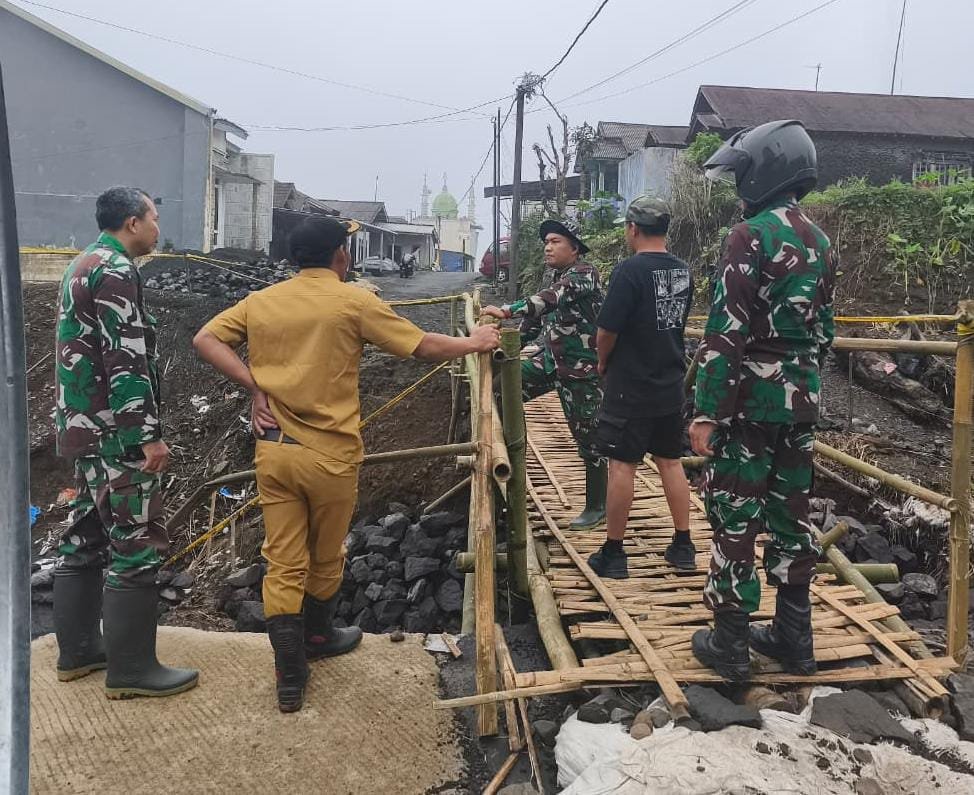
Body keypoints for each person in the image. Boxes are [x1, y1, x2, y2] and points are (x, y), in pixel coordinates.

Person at [193, 216, 500, 712]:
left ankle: (289, 674)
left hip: (274, 451)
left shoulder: (261, 301)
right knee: (325, 554)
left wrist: (255, 386)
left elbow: (206, 339)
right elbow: (422, 345)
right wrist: (474, 342)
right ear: (341, 254)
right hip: (329, 457)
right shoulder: (353, 301)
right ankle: (318, 637)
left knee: (282, 560)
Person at [689, 119, 837, 681]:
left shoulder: (748, 235)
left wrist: (707, 411)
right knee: (791, 512)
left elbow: (726, 330)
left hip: (748, 403)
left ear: (764, 173)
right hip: (801, 402)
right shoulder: (820, 241)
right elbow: (824, 332)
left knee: (735, 511)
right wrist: (800, 384)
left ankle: (730, 642)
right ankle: (795, 639)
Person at [54, 186, 199, 699]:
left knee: (85, 535)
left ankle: (77, 652)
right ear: (133, 222)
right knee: (135, 542)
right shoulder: (116, 269)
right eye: (154, 218)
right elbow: (126, 358)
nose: (158, 228)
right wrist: (145, 436)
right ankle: (132, 670)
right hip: (116, 434)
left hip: (83, 427)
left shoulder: (82, 264)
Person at [587, 196, 694, 580]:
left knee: (622, 465)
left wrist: (602, 361)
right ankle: (683, 545)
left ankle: (614, 552)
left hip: (629, 388)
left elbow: (606, 330)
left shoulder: (629, 271)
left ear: (632, 228)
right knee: (670, 462)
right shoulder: (683, 271)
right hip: (670, 384)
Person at [482, 219, 606, 530]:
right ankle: (511, 454)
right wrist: (504, 347)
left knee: (589, 439)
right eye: (546, 242)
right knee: (502, 389)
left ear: (574, 248)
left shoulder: (584, 274)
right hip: (550, 362)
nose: (547, 248)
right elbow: (534, 323)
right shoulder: (554, 276)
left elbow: (549, 299)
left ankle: (597, 505)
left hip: (581, 370)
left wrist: (507, 310)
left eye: (555, 242)